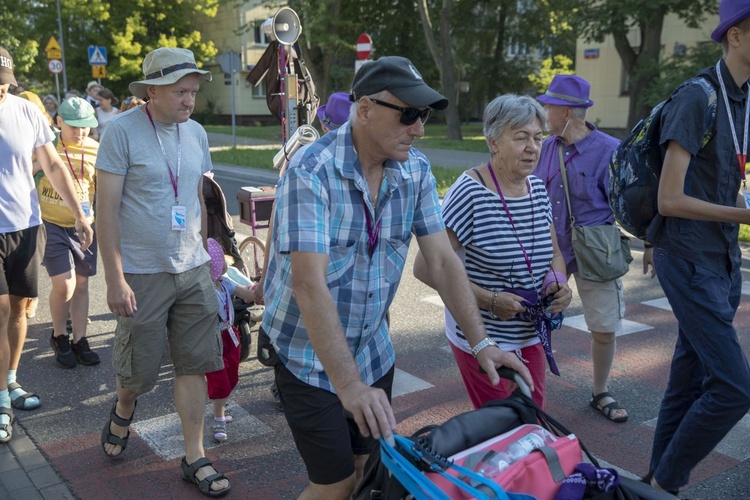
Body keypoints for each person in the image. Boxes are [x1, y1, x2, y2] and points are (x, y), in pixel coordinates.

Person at [261, 55, 533, 499]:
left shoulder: (416, 170)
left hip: (371, 349)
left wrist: (483, 343)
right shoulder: (311, 171)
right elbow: (309, 284)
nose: (419, 129)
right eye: (408, 114)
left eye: (423, 115)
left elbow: (443, 261)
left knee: (369, 472)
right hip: (306, 353)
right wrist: (349, 387)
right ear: (365, 109)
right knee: (334, 487)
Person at [95, 47, 230, 496]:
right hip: (141, 272)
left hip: (191, 268)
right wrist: (114, 277)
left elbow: (196, 198)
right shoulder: (121, 133)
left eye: (193, 91)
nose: (189, 101)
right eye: (179, 91)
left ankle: (194, 456)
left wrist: (212, 252)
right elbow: (106, 211)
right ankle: (125, 406)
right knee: (138, 371)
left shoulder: (196, 133)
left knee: (195, 364)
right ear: (151, 90)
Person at [641, 0, 750, 493]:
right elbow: (669, 198)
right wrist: (744, 216)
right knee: (732, 388)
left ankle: (652, 484)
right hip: (687, 259)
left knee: (686, 383)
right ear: (735, 35)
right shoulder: (697, 96)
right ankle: (666, 480)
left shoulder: (745, 100)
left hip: (722, 261)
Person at [414, 95, 572, 410]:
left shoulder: (537, 189)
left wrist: (558, 281)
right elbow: (426, 267)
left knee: (533, 415)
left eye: (538, 138)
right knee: (501, 426)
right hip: (483, 335)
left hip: (530, 330)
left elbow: (555, 254)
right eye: (521, 137)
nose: (533, 147)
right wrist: (490, 300)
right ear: (494, 142)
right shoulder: (470, 191)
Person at [0, 46, 94, 442]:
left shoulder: (25, 110)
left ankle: (11, 379)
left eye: (3, 84)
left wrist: (79, 213)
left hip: (26, 224)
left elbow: (53, 165)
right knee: (0, 310)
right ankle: (2, 400)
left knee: (20, 309)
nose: (0, 92)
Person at [532, 74, 627, 423]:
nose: (544, 113)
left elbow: (629, 204)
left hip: (594, 250)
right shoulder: (542, 148)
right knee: (531, 319)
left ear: (568, 113)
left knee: (603, 327)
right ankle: (527, 389)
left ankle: (600, 390)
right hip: (547, 248)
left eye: (548, 107)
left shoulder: (610, 151)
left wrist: (650, 244)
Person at [39, 97, 101, 368]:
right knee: (65, 284)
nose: (80, 132)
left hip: (84, 225)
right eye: (74, 126)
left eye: (85, 126)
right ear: (59, 121)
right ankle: (59, 335)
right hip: (51, 223)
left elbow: (101, 188)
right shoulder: (46, 146)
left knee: (83, 284)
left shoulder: (97, 149)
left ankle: (80, 339)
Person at [204, 238, 254, 443]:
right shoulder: (204, 288)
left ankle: (221, 407)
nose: (225, 264)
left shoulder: (225, 282)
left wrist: (257, 290)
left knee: (232, 376)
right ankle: (218, 419)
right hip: (212, 338)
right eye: (220, 260)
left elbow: (244, 293)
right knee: (219, 380)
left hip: (230, 334)